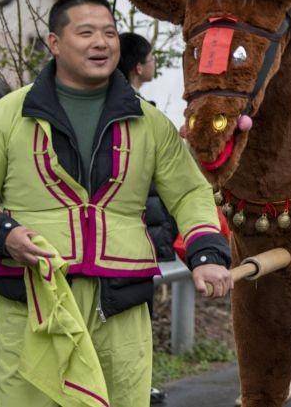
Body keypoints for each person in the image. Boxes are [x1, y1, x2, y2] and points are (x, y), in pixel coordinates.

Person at [0, 0, 231, 406]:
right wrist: (1, 231)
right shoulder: (7, 115)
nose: (101, 42)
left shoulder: (149, 122)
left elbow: (189, 191)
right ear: (55, 44)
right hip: (34, 301)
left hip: (120, 304)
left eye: (110, 33)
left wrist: (206, 252)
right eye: (86, 32)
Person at [116, 31, 174, 405]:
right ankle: (133, 385)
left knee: (139, 311)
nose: (155, 63)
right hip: (137, 228)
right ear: (138, 66)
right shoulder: (133, 111)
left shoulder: (143, 106)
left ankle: (140, 380)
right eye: (151, 57)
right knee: (134, 312)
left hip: (145, 227)